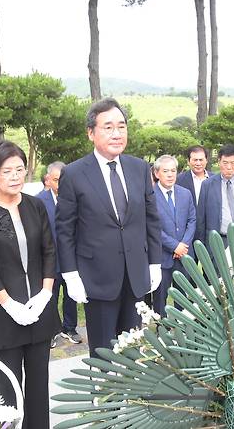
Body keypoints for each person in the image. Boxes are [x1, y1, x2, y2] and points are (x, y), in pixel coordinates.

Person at [56, 98, 162, 359]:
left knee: (132, 349)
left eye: (122, 127)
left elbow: (151, 218)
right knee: (104, 352)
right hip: (97, 278)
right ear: (91, 133)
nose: (117, 134)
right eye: (108, 127)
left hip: (135, 275)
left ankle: (130, 398)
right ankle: (107, 401)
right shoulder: (75, 173)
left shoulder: (139, 168)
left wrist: (154, 263)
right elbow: (65, 229)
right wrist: (70, 275)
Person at [0, 141, 59, 428]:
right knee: (9, 389)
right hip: (6, 313)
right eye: (7, 171)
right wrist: (9, 304)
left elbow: (49, 250)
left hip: (38, 308)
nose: (15, 176)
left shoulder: (36, 205)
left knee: (38, 385)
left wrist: (46, 293)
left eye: (20, 169)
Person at [36, 162, 82, 347]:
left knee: (71, 294)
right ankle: (51, 330)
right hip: (49, 259)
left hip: (71, 257)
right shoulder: (38, 201)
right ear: (48, 180)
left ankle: (69, 327)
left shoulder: (76, 198)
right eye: (56, 180)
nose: (60, 184)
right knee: (50, 296)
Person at [152, 155, 195, 317]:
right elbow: (152, 227)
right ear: (157, 173)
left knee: (182, 295)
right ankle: (161, 328)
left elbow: (192, 220)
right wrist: (174, 245)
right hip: (161, 256)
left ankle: (182, 327)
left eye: (173, 171)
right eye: (165, 171)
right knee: (160, 296)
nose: (170, 175)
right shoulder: (149, 196)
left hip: (183, 255)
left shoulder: (185, 194)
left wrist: (183, 244)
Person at [196, 144, 234, 246]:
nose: (229, 167)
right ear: (219, 162)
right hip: (219, 240)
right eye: (225, 163)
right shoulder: (208, 185)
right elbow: (201, 218)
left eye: (233, 163)